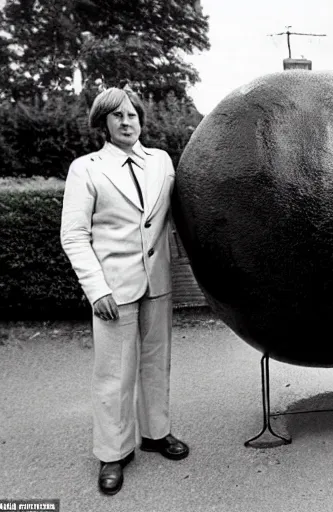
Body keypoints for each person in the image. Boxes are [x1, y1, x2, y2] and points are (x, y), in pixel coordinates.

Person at [60, 86, 189, 496]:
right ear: (104, 123)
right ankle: (113, 452)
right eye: (117, 116)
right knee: (113, 375)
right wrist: (97, 290)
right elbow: (74, 236)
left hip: (158, 284)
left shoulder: (162, 162)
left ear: (141, 120)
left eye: (132, 115)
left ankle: (155, 432)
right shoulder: (87, 168)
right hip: (113, 289)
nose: (126, 121)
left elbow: (177, 216)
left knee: (156, 364)